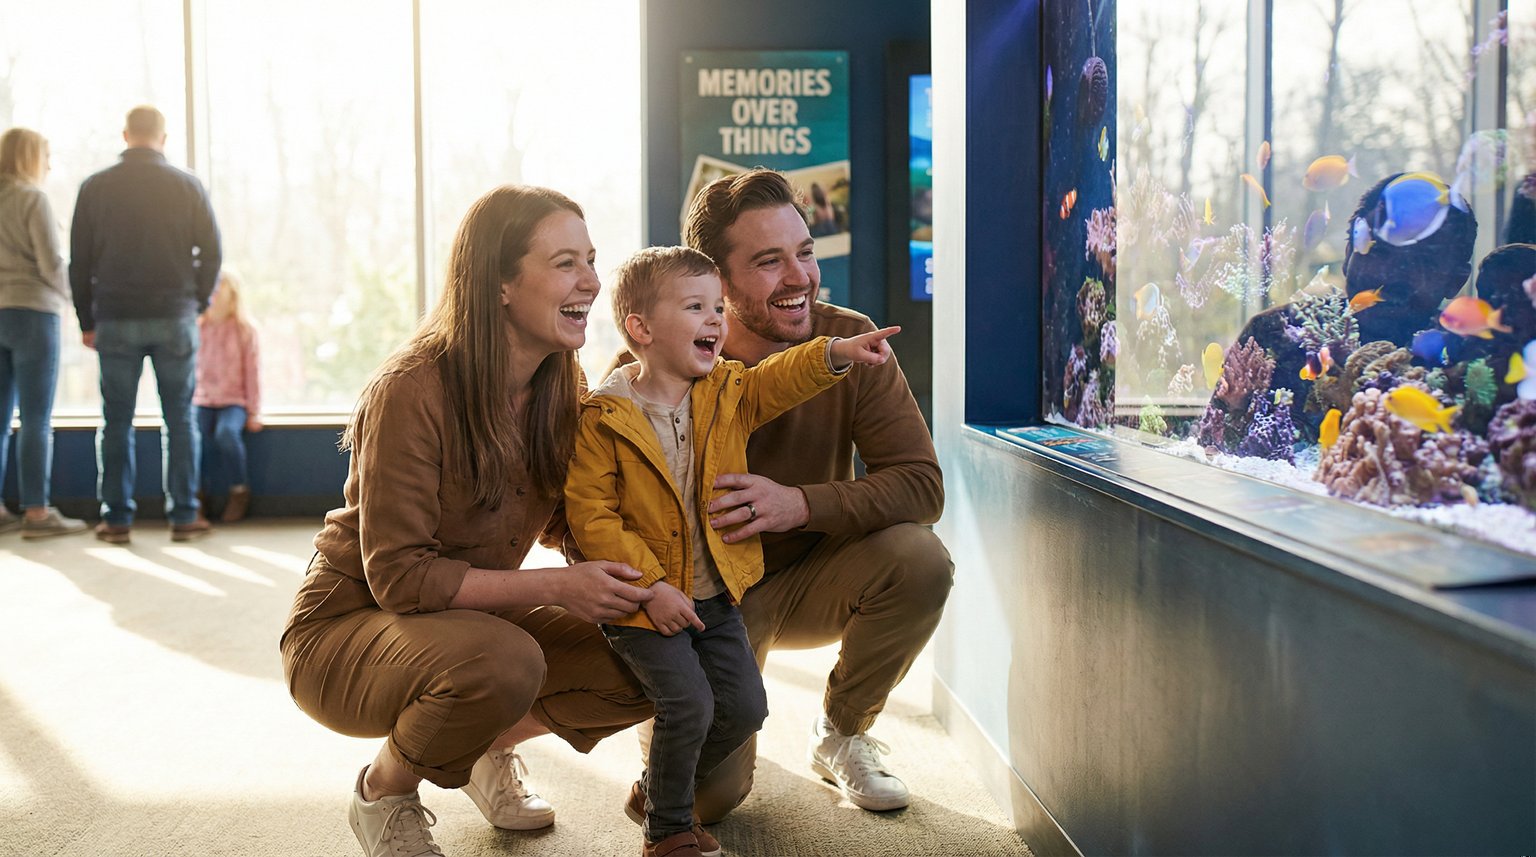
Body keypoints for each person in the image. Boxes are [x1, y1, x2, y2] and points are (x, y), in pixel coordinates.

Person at [280, 185, 659, 857]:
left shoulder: (560, 390)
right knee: (506, 661)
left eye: (593, 259)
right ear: (502, 283)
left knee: (652, 654)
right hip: (342, 631)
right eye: (566, 261)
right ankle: (385, 791)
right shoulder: (411, 387)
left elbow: (574, 527)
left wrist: (649, 588)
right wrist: (558, 590)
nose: (593, 281)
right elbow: (399, 577)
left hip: (470, 625)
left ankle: (482, 742)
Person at [615, 167, 951, 820]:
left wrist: (799, 502)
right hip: (700, 607)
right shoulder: (651, 367)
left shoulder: (849, 342)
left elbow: (922, 485)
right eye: (769, 261)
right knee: (706, 801)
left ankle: (842, 731)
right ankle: (667, 717)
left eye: (805, 252)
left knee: (920, 558)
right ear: (714, 277)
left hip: (808, 578)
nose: (799, 276)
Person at [567, 245, 898, 857]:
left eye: (717, 306)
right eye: (697, 307)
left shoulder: (727, 391)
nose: (717, 320)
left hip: (717, 594)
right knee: (688, 704)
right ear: (640, 328)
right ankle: (666, 832)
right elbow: (592, 517)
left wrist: (834, 354)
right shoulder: (603, 417)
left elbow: (780, 378)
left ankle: (655, 789)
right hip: (645, 604)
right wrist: (649, 588)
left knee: (745, 708)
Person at [69, 105, 222, 544]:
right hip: (175, 315)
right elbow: (212, 251)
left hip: (114, 318)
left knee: (115, 421)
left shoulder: (95, 187)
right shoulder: (187, 185)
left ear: (125, 135)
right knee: (180, 420)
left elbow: (80, 261)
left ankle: (116, 519)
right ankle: (184, 515)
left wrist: (86, 318)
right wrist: (197, 302)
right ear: (163, 137)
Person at [0, 127, 88, 538]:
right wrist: (76, 300)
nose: (50, 164)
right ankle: (36, 513)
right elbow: (51, 261)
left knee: (0, 419)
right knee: (35, 418)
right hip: (33, 311)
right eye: (46, 155)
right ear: (30, 157)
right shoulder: (31, 198)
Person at [193, 268, 261, 523]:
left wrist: (253, 410)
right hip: (202, 399)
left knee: (226, 434)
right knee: (197, 440)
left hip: (234, 401)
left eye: (218, 287)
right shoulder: (199, 327)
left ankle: (239, 490)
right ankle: (198, 497)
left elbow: (252, 372)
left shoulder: (244, 330)